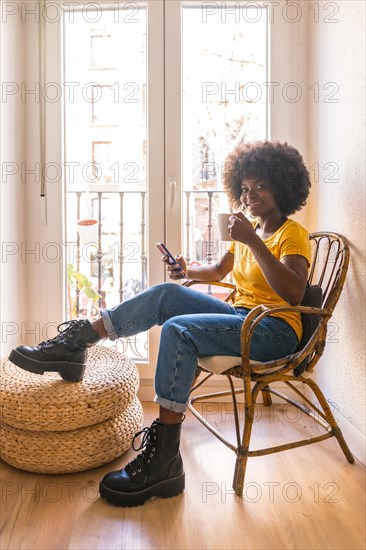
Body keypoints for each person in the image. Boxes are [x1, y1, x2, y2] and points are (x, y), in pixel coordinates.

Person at [9, 141, 312, 507]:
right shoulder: (249, 229)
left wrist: (253, 242)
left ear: (282, 186)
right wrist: (187, 270)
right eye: (245, 188)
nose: (249, 195)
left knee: (178, 329)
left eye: (259, 186)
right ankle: (78, 342)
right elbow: (219, 271)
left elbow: (294, 293)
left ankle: (164, 461)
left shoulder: (291, 234)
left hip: (272, 330)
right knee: (167, 292)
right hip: (241, 318)